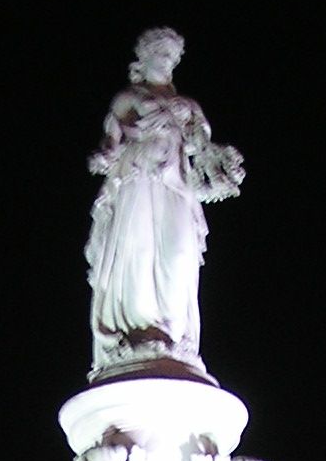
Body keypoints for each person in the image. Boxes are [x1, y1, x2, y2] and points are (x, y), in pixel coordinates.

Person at [86, 28, 244, 381]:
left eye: (173, 55)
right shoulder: (128, 98)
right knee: (138, 256)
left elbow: (203, 152)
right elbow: (110, 144)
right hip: (139, 182)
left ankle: (175, 338)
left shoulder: (188, 107)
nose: (167, 60)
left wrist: (220, 164)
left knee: (179, 258)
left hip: (176, 189)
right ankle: (139, 336)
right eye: (161, 53)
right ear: (144, 58)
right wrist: (103, 157)